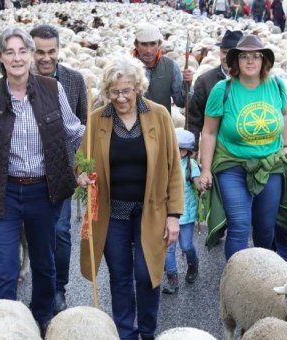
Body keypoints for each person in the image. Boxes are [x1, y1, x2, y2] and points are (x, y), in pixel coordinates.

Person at [0, 27, 84, 337]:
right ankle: (3, 324)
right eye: (10, 52)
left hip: (43, 190)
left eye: (22, 51)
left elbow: (74, 131)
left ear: (30, 55)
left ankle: (42, 317)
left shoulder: (51, 89)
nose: (17, 58)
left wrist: (105, 133)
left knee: (44, 261)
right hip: (5, 191)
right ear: (1, 58)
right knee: (5, 266)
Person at [75, 56, 183, 340]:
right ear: (106, 92)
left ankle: (147, 332)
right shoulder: (97, 120)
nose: (121, 98)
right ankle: (126, 333)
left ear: (138, 87)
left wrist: (174, 215)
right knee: (121, 277)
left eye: (126, 90)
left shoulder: (159, 116)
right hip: (113, 213)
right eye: (114, 92)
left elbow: (173, 167)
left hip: (152, 210)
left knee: (147, 275)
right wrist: (81, 175)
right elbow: (81, 161)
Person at [198, 35, 287, 261]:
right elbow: (209, 131)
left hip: (270, 166)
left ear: (264, 61)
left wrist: (286, 145)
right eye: (244, 56)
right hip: (232, 165)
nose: (250, 61)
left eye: (256, 56)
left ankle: (262, 276)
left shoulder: (276, 85)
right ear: (235, 61)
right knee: (239, 225)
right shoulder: (222, 89)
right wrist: (205, 168)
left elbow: (285, 114)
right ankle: (235, 280)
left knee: (265, 227)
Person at [29, 24, 87, 315]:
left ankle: (58, 289)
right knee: (36, 232)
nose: (45, 57)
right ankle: (41, 289)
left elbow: (82, 124)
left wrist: (81, 166)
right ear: (31, 51)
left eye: (51, 51)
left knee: (61, 231)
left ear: (58, 51)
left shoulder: (74, 81)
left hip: (62, 170)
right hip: (25, 171)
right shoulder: (16, 79)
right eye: (39, 51)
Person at [161, 128, 201, 295]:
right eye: (175, 148)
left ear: (187, 151)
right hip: (167, 214)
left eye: (181, 149)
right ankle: (172, 279)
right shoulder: (163, 164)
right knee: (168, 248)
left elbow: (199, 185)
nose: (178, 152)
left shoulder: (191, 166)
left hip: (187, 214)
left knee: (186, 245)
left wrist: (203, 183)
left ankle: (193, 264)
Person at [188, 30, 243, 151]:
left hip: (245, 148)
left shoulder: (251, 82)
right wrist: (191, 149)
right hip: (214, 150)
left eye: (232, 53)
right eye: (224, 52)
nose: (227, 57)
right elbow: (194, 120)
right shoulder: (205, 81)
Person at [132, 22, 193, 116]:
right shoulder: (128, 68)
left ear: (159, 44)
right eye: (144, 44)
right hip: (132, 127)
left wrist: (187, 85)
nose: (148, 50)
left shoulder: (171, 67)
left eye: (153, 44)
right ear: (136, 44)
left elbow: (180, 102)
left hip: (161, 125)